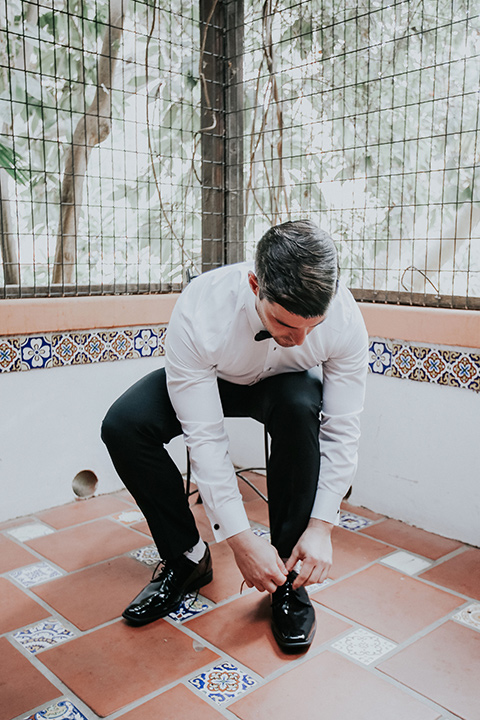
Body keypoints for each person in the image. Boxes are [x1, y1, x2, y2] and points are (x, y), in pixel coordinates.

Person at [101, 219, 368, 652]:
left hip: (285, 387)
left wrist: (323, 526)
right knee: (124, 426)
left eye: (312, 328)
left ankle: (288, 573)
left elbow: (342, 428)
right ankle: (186, 558)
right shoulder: (200, 310)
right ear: (254, 284)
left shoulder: (345, 319)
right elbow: (205, 438)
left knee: (302, 406)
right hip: (214, 378)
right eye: (285, 323)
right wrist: (239, 540)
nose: (299, 339)